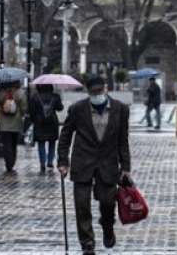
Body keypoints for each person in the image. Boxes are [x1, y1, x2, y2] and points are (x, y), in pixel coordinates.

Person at [58, 75, 132, 255]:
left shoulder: (120, 109)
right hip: (83, 162)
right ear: (88, 92)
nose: (97, 95)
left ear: (105, 89)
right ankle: (87, 242)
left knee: (108, 203)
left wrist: (126, 167)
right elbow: (65, 135)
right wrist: (63, 161)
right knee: (81, 204)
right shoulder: (77, 109)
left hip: (108, 163)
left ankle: (107, 227)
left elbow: (123, 140)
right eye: (93, 92)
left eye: (99, 91)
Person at [0, 80, 28, 173]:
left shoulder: (0, 93)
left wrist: (1, 103)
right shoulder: (20, 93)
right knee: (13, 144)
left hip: (3, 124)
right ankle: (12, 163)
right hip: (16, 123)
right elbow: (24, 108)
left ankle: (8, 163)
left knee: (6, 144)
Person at [28, 84, 64, 173]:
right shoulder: (55, 96)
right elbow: (60, 108)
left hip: (39, 122)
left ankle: (42, 163)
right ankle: (50, 161)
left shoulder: (35, 97)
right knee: (52, 142)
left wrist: (34, 120)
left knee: (41, 143)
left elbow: (31, 111)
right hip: (52, 122)